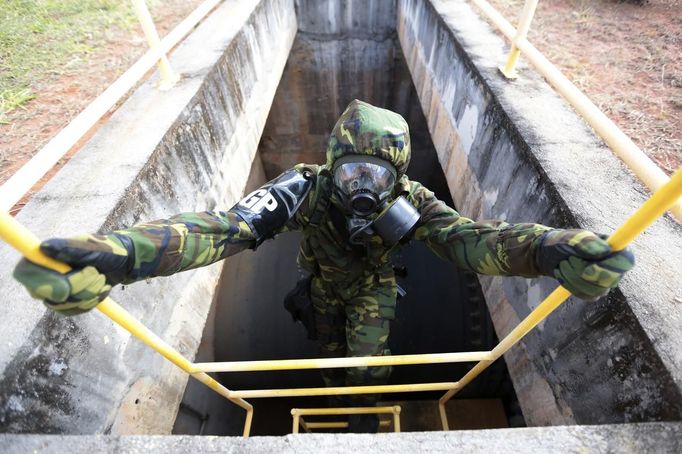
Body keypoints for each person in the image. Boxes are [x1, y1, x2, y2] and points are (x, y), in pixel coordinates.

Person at [13, 99, 634, 432]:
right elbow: (224, 229)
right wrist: (123, 256)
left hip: (374, 292)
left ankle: (363, 406)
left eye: (378, 173)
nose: (363, 185)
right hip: (321, 286)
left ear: (398, 174)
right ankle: (341, 394)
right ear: (331, 162)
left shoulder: (411, 203)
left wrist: (548, 250)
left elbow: (475, 241)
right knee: (325, 343)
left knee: (366, 362)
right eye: (351, 170)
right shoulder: (302, 189)